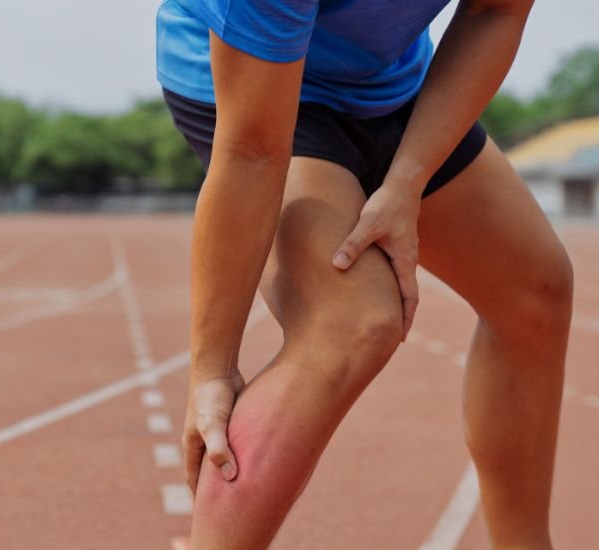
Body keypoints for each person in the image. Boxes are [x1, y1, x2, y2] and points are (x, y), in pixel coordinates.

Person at [155, 0, 572, 548]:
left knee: (535, 290)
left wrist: (407, 181)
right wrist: (212, 368)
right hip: (259, 89)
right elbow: (254, 152)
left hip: (392, 85)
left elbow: (494, 12)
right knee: (350, 321)